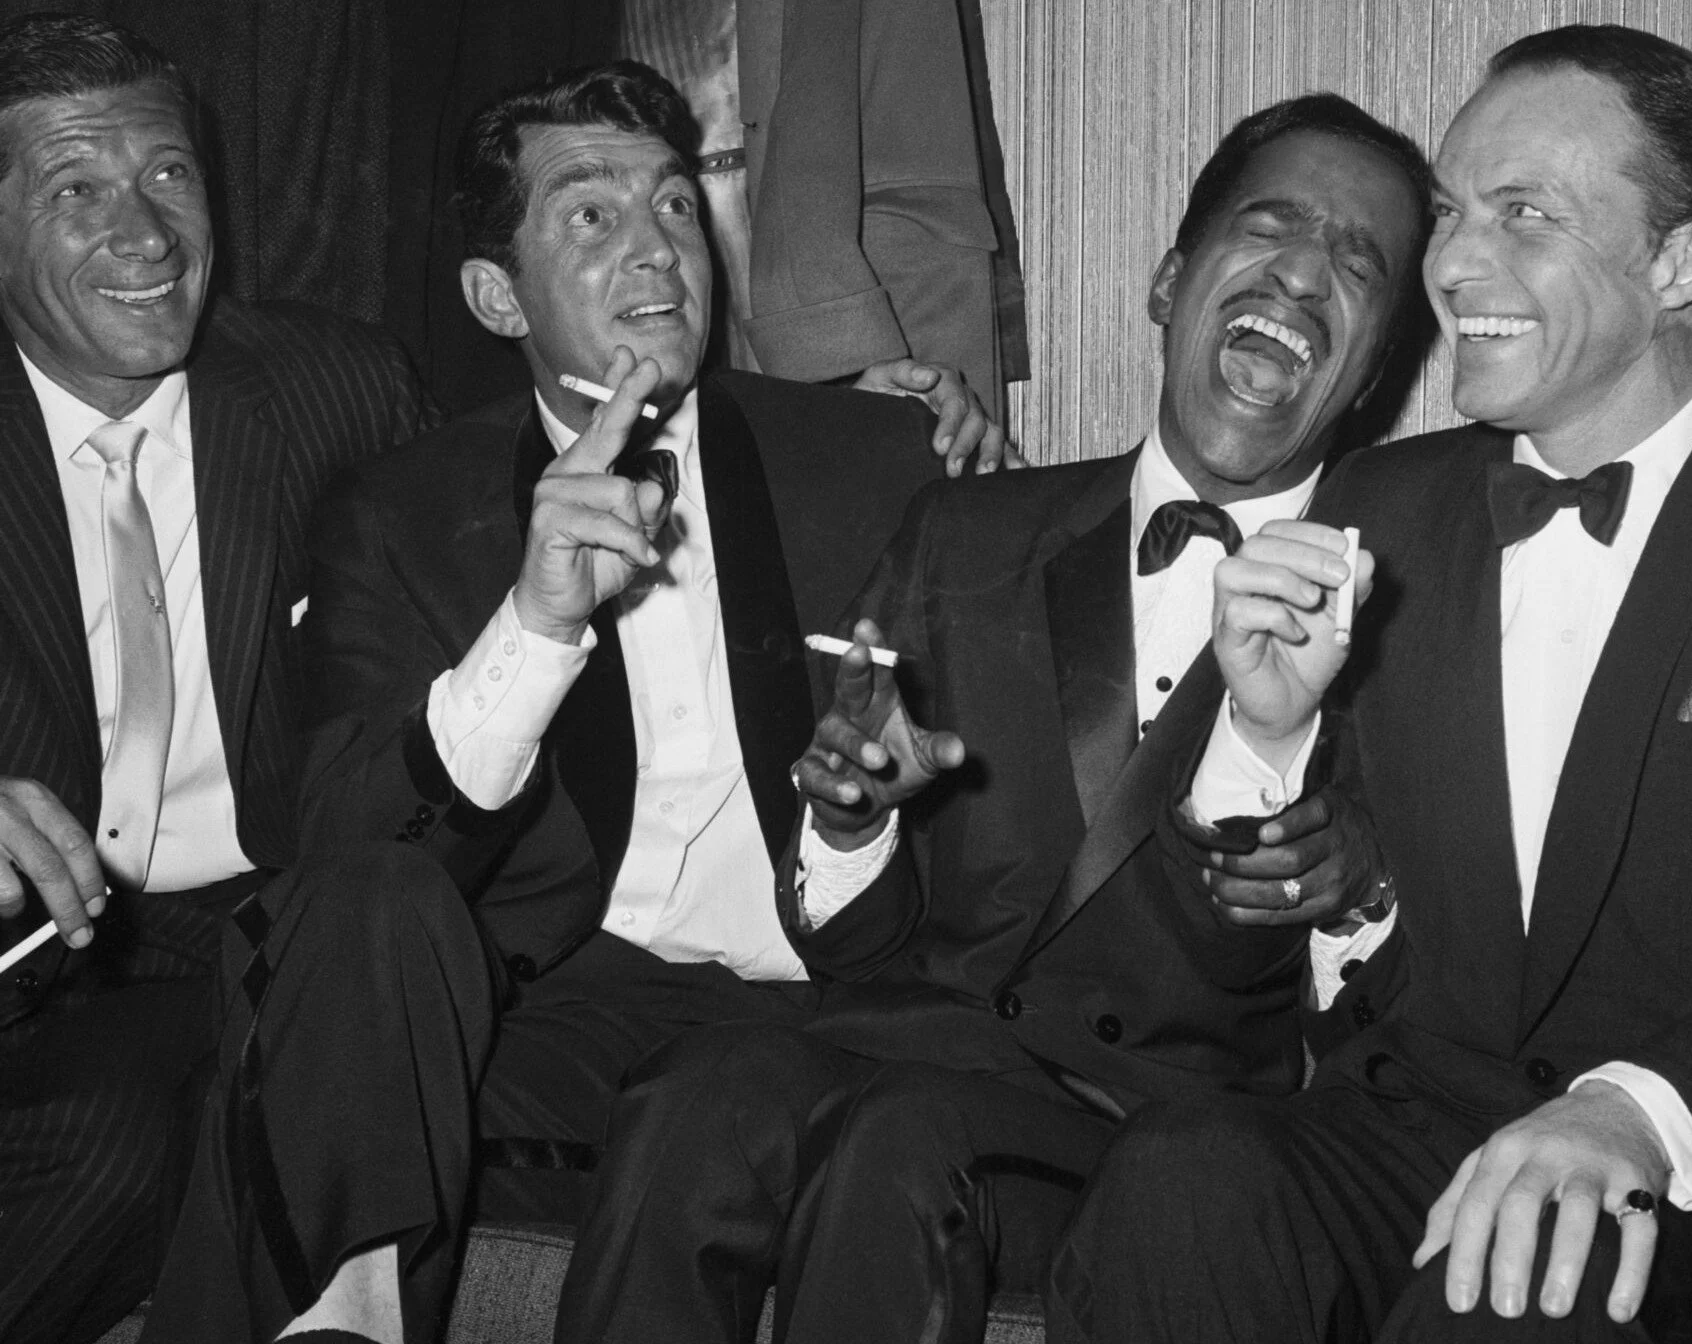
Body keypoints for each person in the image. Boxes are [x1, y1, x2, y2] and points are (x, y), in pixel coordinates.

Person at [1045, 24, 1692, 1344]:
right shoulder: (1375, 511)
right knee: (1182, 1178)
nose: (1452, 263)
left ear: (1683, 260)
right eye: (1456, 212)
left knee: (1523, 1298)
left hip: (1684, 1190)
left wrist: (1637, 1114)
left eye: (1523, 213)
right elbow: (1232, 957)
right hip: (1403, 1132)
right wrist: (1267, 736)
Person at [136, 59, 997, 1344]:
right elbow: (338, 843)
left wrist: (867, 809)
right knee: (322, 965)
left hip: (824, 1005)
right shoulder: (402, 512)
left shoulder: (879, 459)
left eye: (671, 208)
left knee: (730, 1088)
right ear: (496, 295)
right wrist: (534, 629)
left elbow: (1001, 776)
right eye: (590, 216)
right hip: (564, 1006)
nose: (655, 251)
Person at [549, 92, 1429, 1344]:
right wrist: (850, 822)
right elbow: (847, 941)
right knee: (695, 1088)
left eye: (1355, 262)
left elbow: (1397, 1022)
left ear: (1378, 363)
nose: (1298, 275)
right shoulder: (965, 530)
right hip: (888, 1041)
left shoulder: (1405, 607)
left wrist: (1350, 887)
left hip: (1134, 1131)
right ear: (1169, 283)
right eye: (1268, 227)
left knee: (901, 1137)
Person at [0, 14, 437, 1344]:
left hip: (259, 933)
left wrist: (833, 426)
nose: (146, 237)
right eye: (79, 189)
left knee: (157, 1127)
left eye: (170, 177)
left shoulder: (333, 389)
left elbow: (508, 536)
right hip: (21, 952)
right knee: (124, 1129)